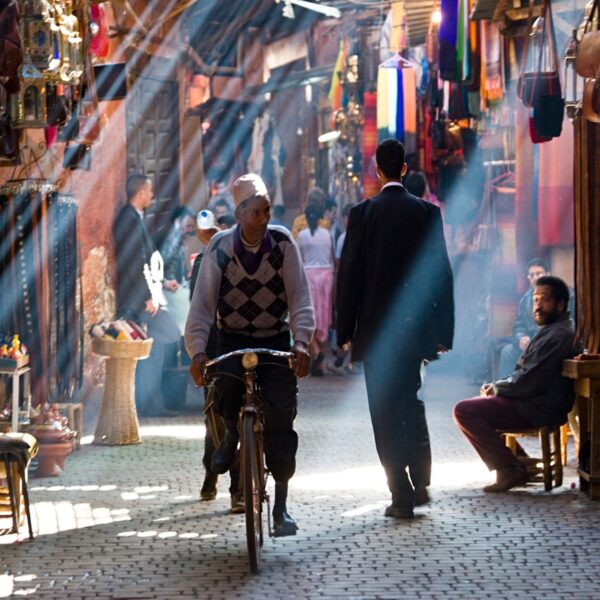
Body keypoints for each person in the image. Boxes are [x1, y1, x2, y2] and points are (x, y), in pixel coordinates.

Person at [185, 173, 314, 537]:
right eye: (255, 212)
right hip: (232, 339)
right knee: (222, 393)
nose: (262, 218)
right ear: (240, 213)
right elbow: (202, 306)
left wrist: (301, 343)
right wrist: (197, 352)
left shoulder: (283, 244)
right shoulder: (220, 249)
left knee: (281, 419)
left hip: (274, 337)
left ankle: (281, 508)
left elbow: (300, 298)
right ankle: (229, 437)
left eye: (266, 210)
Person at [336, 139, 454, 519]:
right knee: (410, 398)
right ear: (403, 169)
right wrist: (443, 330)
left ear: (376, 169)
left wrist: (344, 331)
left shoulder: (363, 214)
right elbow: (440, 274)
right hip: (414, 330)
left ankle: (399, 491)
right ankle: (421, 478)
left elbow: (349, 277)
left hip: (375, 333)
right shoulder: (425, 213)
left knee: (383, 409)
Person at [453, 276, 580, 493]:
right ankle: (517, 462)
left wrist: (499, 387)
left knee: (464, 410)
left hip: (538, 406)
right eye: (536, 299)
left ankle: (510, 467)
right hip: (533, 400)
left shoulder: (558, 334)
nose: (538, 305)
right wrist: (498, 386)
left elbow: (530, 380)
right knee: (483, 402)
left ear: (560, 304)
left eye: (545, 300)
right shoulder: (553, 329)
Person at [112, 174, 180, 417]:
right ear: (141, 192)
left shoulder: (134, 217)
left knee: (159, 342)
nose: (152, 195)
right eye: (149, 191)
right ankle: (147, 403)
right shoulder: (128, 219)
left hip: (145, 295)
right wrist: (147, 296)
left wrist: (163, 281)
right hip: (136, 298)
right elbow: (133, 262)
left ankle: (150, 402)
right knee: (162, 337)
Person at [188, 210, 242, 511]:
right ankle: (214, 475)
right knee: (216, 417)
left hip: (240, 346)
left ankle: (231, 484)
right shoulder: (204, 261)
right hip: (215, 350)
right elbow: (197, 310)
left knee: (232, 417)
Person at [296, 203, 335, 376]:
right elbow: (331, 258)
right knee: (323, 318)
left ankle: (317, 352)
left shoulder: (302, 235)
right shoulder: (327, 234)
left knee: (308, 317)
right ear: (320, 218)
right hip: (326, 279)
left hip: (308, 278)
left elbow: (298, 259)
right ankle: (319, 359)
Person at [498, 258, 549, 378]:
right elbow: (519, 324)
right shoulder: (525, 299)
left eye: (539, 274)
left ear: (547, 275)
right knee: (507, 351)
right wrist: (520, 338)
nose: (535, 277)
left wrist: (535, 340)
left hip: (549, 342)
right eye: (532, 275)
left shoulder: (555, 295)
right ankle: (504, 390)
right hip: (530, 344)